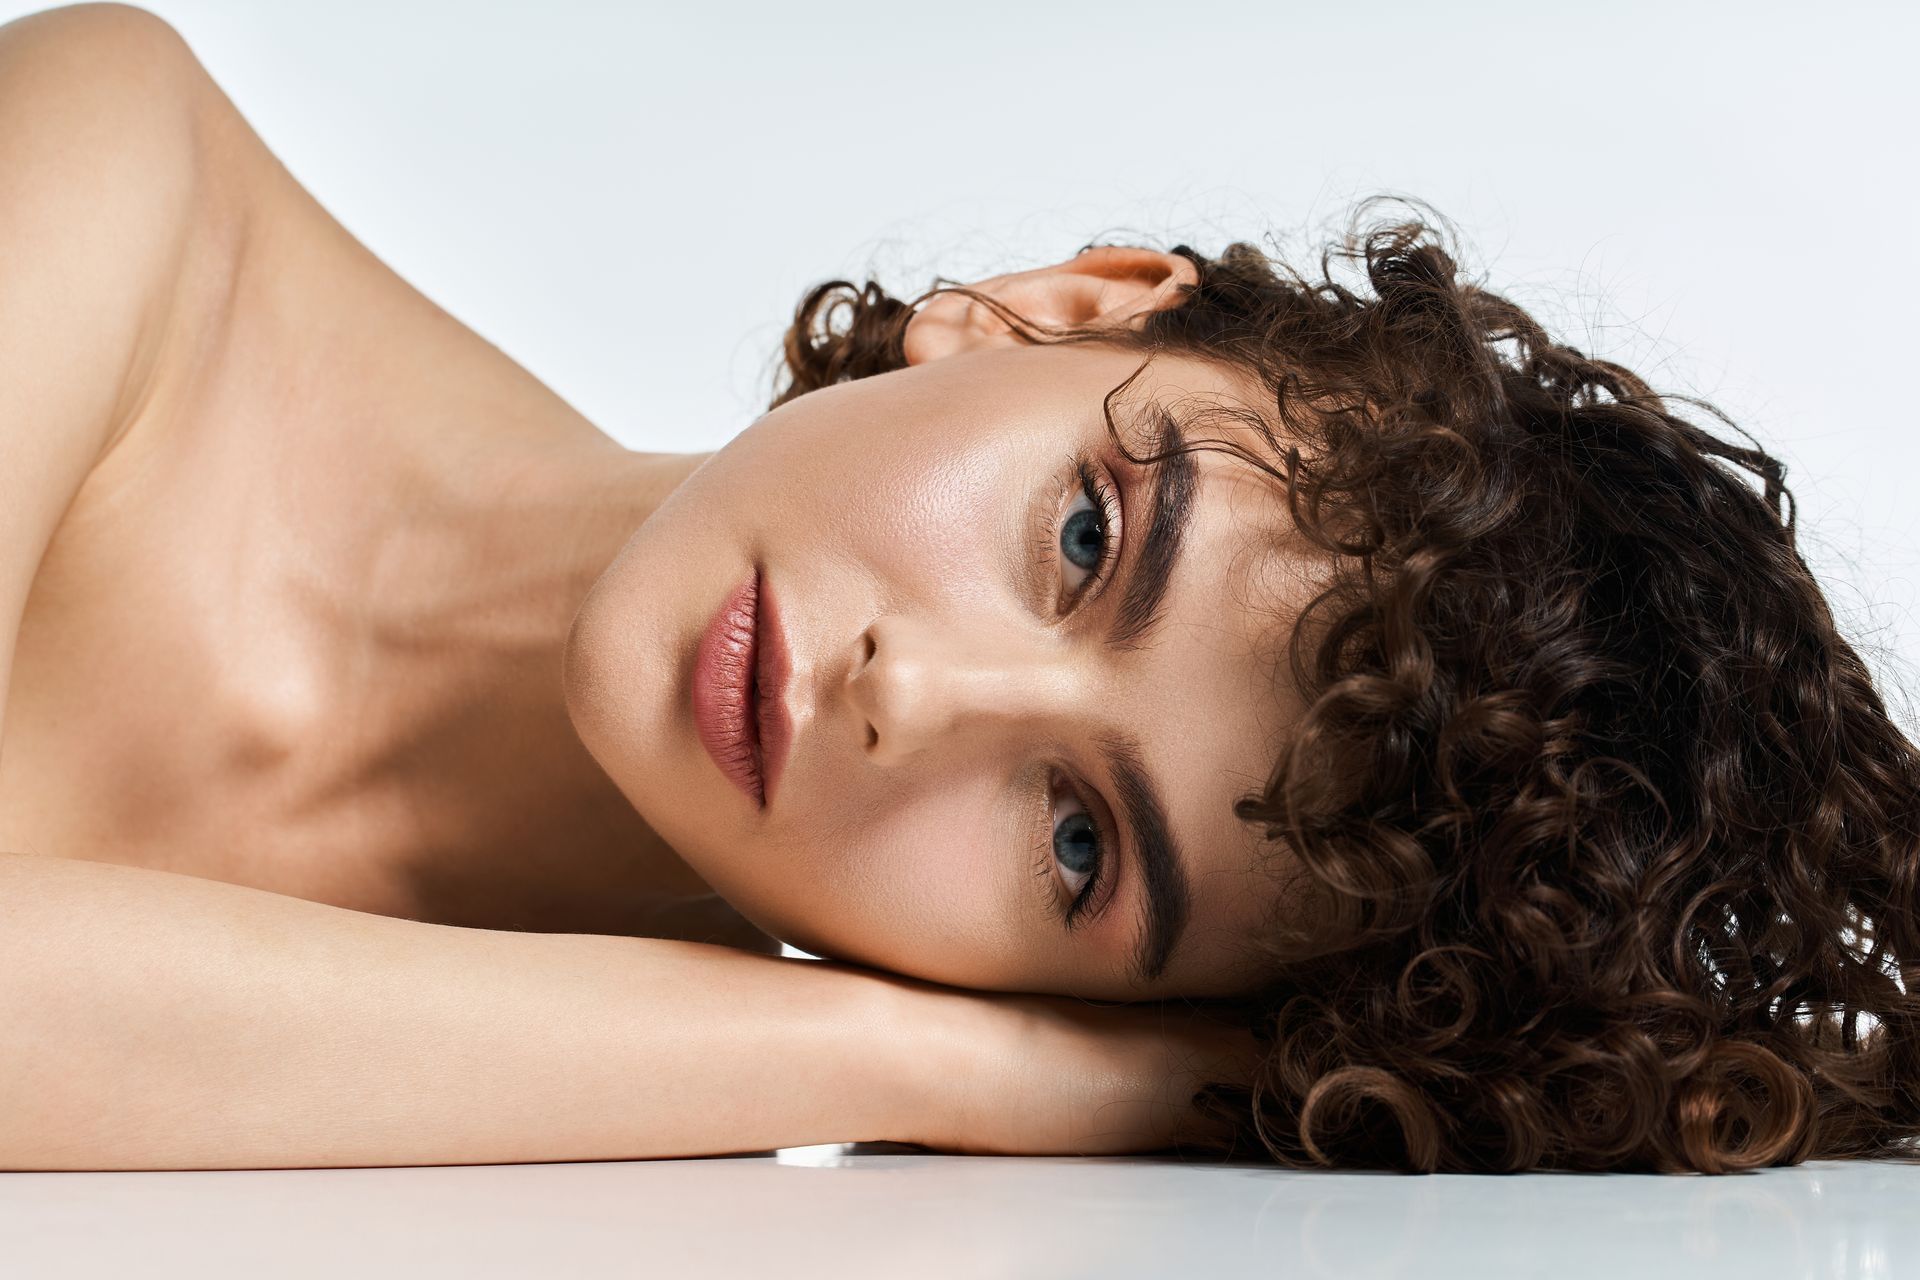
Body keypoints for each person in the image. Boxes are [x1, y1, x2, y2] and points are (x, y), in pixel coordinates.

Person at [1, 4, 1914, 1174]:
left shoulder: (613, 1114)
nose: (909, 702)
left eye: (1080, 849)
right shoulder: (110, 173)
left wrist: (922, 1066)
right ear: (1047, 311)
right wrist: (940, 1062)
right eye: (1087, 540)